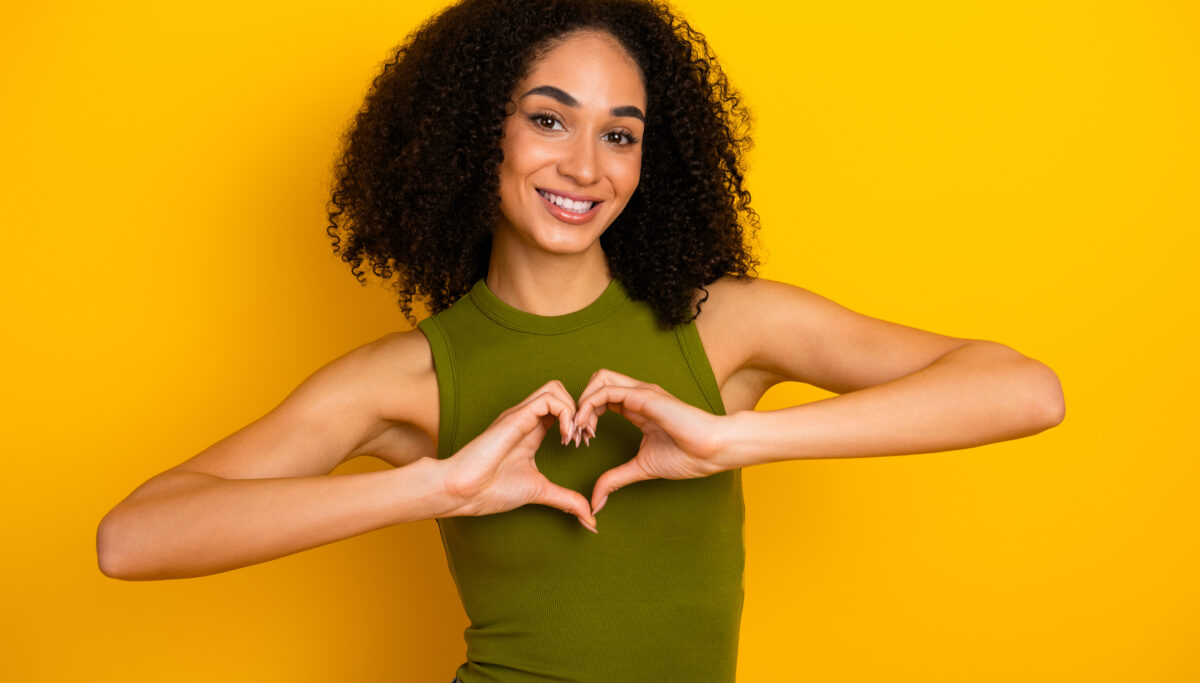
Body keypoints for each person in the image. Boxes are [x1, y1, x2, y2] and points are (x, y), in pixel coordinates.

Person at [96, 0, 1066, 680]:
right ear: (481, 133)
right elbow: (133, 537)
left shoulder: (724, 325)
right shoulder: (406, 378)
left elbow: (1024, 389)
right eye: (548, 119)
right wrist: (432, 485)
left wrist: (734, 439)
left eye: (620, 133)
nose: (583, 164)